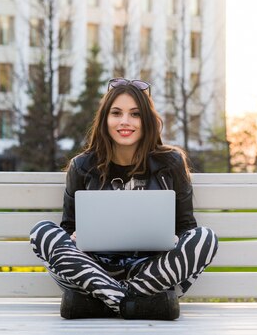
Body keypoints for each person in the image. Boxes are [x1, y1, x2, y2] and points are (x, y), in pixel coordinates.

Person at [29, 78, 219, 320]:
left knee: (205, 238)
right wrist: (75, 237)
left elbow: (187, 229)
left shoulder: (170, 163)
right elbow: (67, 229)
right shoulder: (82, 166)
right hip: (95, 270)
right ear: (105, 119)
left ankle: (103, 302)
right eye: (116, 113)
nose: (125, 122)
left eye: (135, 114)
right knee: (42, 232)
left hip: (153, 271)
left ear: (147, 120)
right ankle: (136, 304)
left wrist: (174, 239)